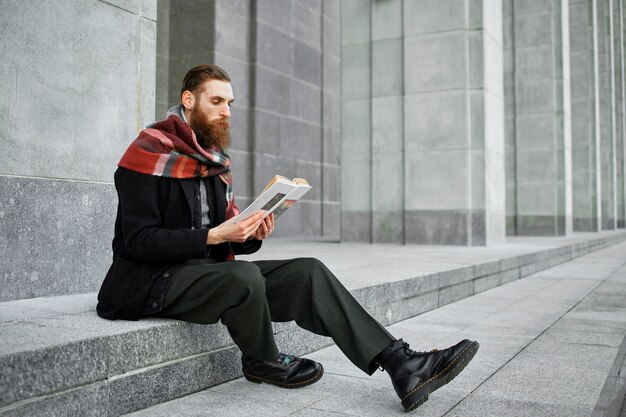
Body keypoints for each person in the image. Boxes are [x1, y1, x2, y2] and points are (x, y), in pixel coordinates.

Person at [96, 64, 479, 412]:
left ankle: (402, 365)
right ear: (188, 100)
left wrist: (250, 232)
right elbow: (138, 241)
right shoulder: (145, 155)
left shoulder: (213, 162)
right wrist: (213, 236)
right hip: (149, 282)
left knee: (307, 271)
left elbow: (226, 236)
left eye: (230, 102)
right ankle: (262, 360)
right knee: (242, 278)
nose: (227, 111)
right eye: (217, 101)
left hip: (205, 273)